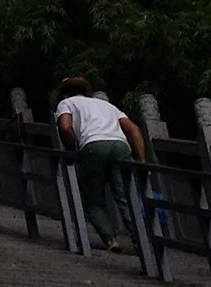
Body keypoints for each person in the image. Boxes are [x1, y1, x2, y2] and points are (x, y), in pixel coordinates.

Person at [53, 76, 145, 250]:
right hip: (120, 145)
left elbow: (65, 128)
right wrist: (141, 161)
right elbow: (134, 129)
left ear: (63, 95)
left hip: (92, 146)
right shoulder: (108, 106)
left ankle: (111, 240)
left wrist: (75, 150)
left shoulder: (66, 104)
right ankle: (141, 240)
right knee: (125, 197)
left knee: (93, 199)